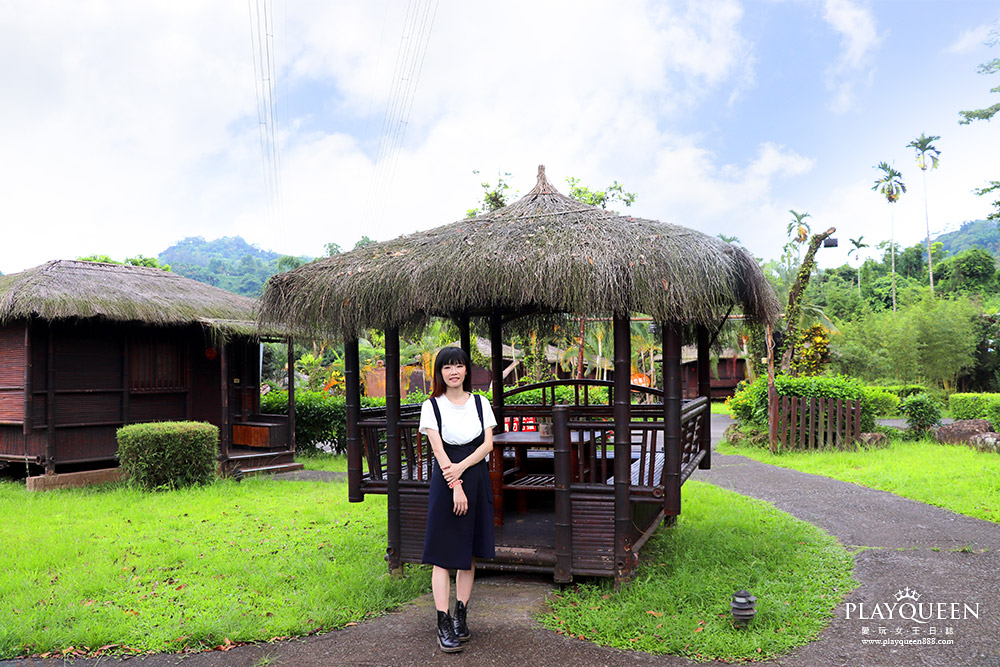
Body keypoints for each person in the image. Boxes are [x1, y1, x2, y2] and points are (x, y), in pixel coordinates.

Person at [418, 346, 497, 653]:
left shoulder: (480, 403)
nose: (453, 372)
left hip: (475, 475)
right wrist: (456, 484)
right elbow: (439, 451)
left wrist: (463, 471)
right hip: (446, 476)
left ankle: (461, 615)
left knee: (469, 550)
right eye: (447, 367)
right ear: (439, 373)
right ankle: (443, 620)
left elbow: (488, 445)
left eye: (459, 366)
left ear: (467, 370)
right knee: (442, 553)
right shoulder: (432, 406)